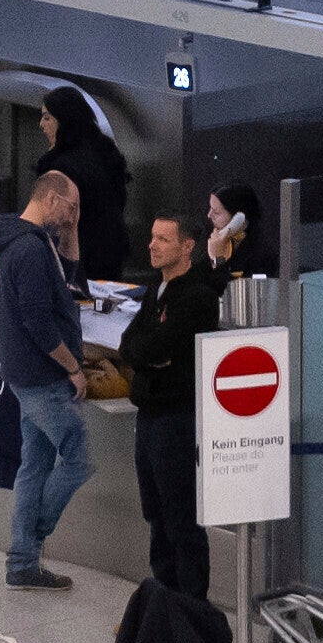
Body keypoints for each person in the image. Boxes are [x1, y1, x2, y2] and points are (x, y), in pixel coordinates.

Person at [113, 198, 258, 609]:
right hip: (149, 418)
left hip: (177, 421)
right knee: (156, 516)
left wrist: (151, 354)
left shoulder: (195, 298)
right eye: (152, 237)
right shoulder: (157, 291)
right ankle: (166, 602)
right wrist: (149, 356)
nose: (152, 245)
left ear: (187, 246)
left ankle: (191, 607)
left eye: (163, 239)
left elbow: (162, 345)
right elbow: (130, 345)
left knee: (180, 519)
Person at [0, 165, 95, 593]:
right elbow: (38, 322)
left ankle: (22, 562)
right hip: (41, 375)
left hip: (28, 373)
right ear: (50, 199)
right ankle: (33, 539)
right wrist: (73, 367)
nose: (73, 215)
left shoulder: (30, 239)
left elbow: (64, 277)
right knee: (80, 457)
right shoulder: (27, 249)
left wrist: (73, 226)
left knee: (35, 465)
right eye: (70, 207)